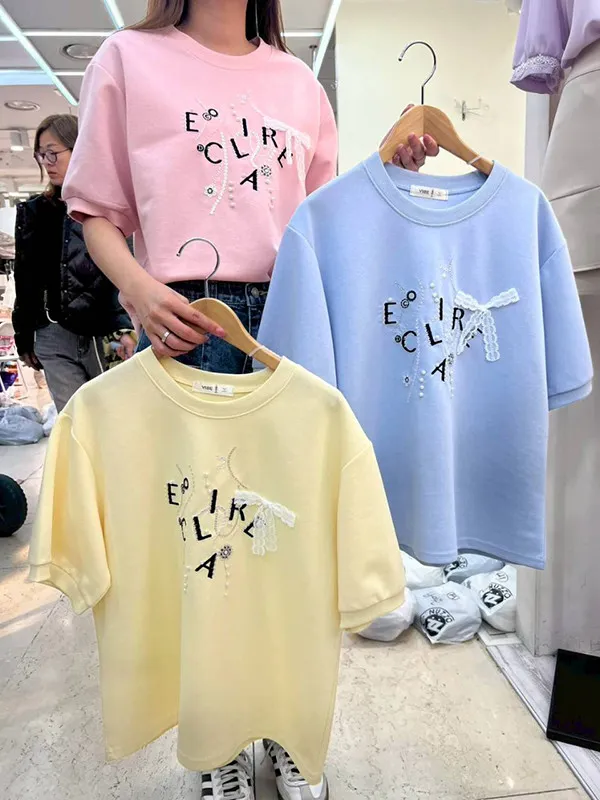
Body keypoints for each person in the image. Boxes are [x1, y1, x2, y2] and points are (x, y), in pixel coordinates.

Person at [61, 1, 439, 797]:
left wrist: (389, 173)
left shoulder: (297, 81)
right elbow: (94, 210)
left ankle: (286, 726)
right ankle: (217, 739)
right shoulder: (127, 59)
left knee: (289, 545)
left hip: (296, 318)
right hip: (186, 317)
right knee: (209, 553)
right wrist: (138, 289)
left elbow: (328, 222)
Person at [12, 114, 135, 413]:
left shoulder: (109, 207)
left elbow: (124, 270)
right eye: (41, 154)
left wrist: (124, 326)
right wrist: (24, 337)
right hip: (51, 336)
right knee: (73, 422)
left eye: (53, 153)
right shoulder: (33, 211)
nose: (46, 162)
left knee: (113, 418)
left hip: (103, 333)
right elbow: (25, 279)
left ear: (79, 148)